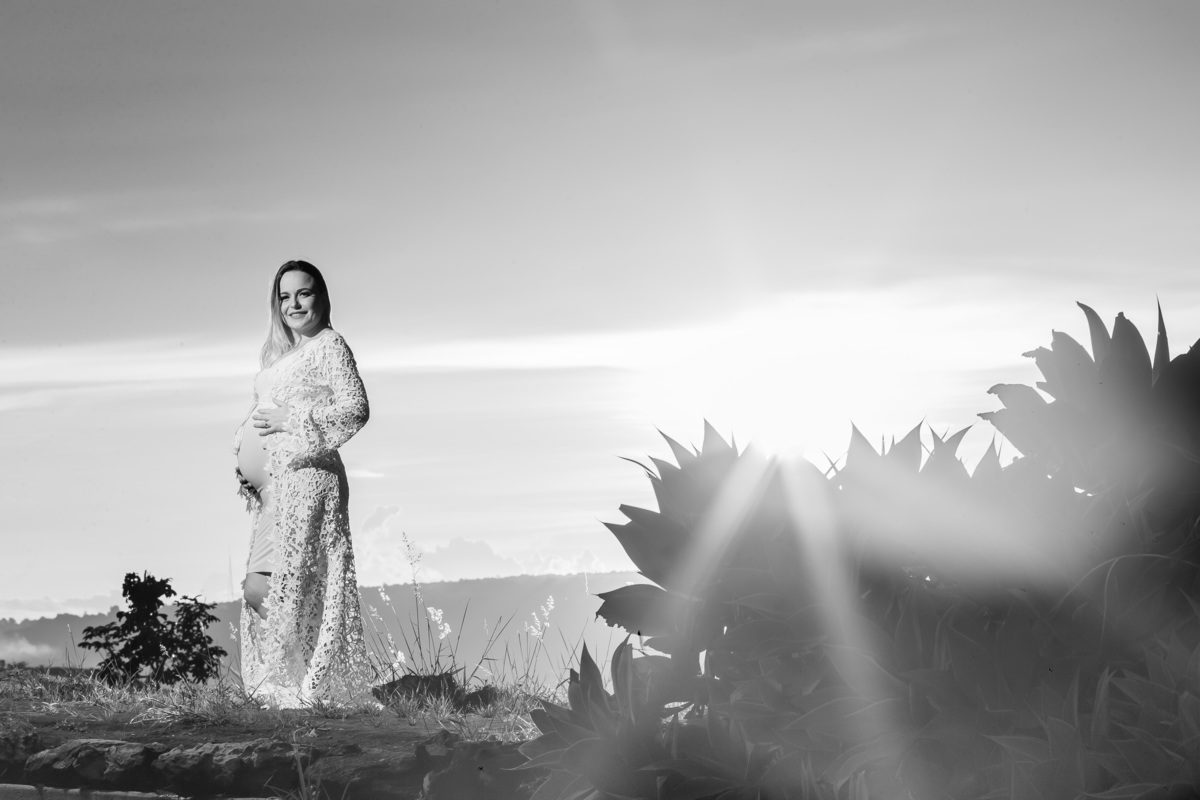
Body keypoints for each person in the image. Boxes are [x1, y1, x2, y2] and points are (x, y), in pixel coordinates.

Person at [232, 260, 374, 707]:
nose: (293, 304)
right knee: (270, 586)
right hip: (276, 486)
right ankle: (307, 677)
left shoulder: (330, 345)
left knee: (275, 585)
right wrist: (244, 458)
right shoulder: (283, 354)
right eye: (284, 296)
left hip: (308, 479)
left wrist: (294, 420)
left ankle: (312, 680)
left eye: (304, 293)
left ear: (321, 296)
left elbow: (356, 408)